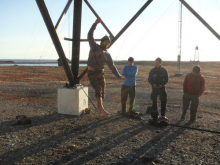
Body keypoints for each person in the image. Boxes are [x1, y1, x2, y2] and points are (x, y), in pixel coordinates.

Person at [87, 17, 125, 115]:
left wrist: (118, 76)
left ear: (109, 43)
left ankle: (100, 107)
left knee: (103, 89)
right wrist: (95, 24)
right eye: (104, 40)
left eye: (108, 41)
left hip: (101, 73)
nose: (106, 42)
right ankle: (100, 108)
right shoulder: (94, 46)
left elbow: (112, 66)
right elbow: (89, 35)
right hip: (92, 72)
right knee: (98, 88)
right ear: (101, 41)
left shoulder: (107, 54)